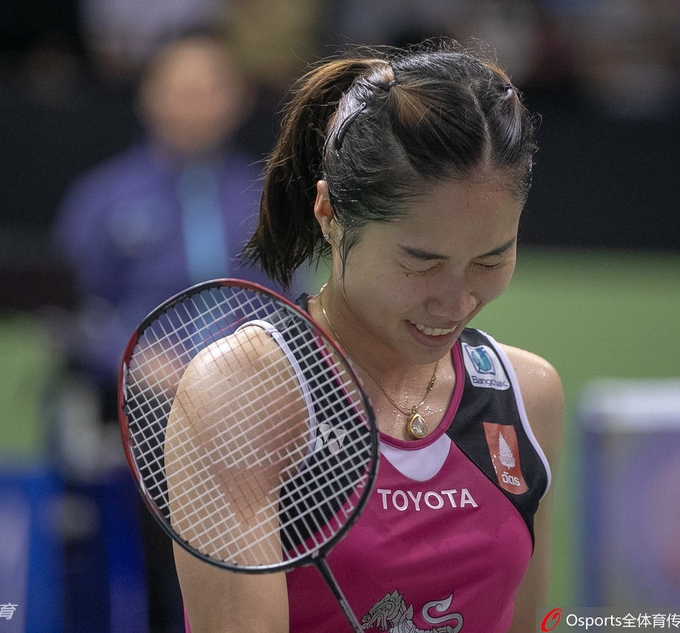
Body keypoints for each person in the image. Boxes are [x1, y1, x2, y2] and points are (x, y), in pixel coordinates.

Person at [173, 39, 564, 633]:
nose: (456, 300)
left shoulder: (528, 394)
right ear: (330, 215)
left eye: (491, 259)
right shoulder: (244, 395)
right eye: (421, 263)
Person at [53, 25, 281, 633]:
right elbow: (66, 312)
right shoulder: (100, 198)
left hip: (255, 416)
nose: (195, 102)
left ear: (236, 98)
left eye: (210, 88)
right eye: (180, 87)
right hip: (140, 416)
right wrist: (136, 358)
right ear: (147, 95)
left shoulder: (269, 198)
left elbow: (298, 304)